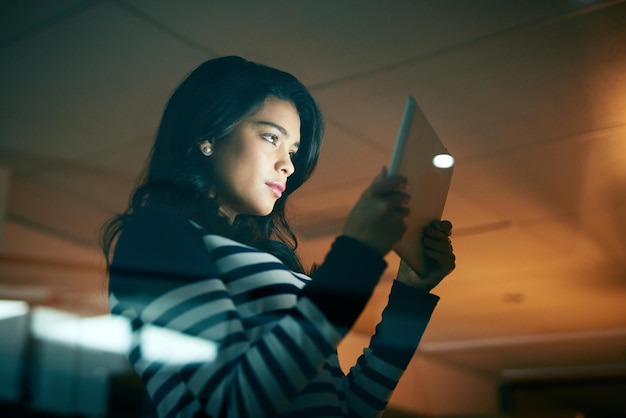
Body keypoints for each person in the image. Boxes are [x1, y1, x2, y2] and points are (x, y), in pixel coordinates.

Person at [101, 55, 455, 418]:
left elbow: (346, 408)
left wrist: (409, 296)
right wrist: (357, 255)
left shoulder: (273, 259)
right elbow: (235, 403)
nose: (287, 164)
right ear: (207, 135)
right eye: (271, 137)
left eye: (293, 151)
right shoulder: (155, 236)